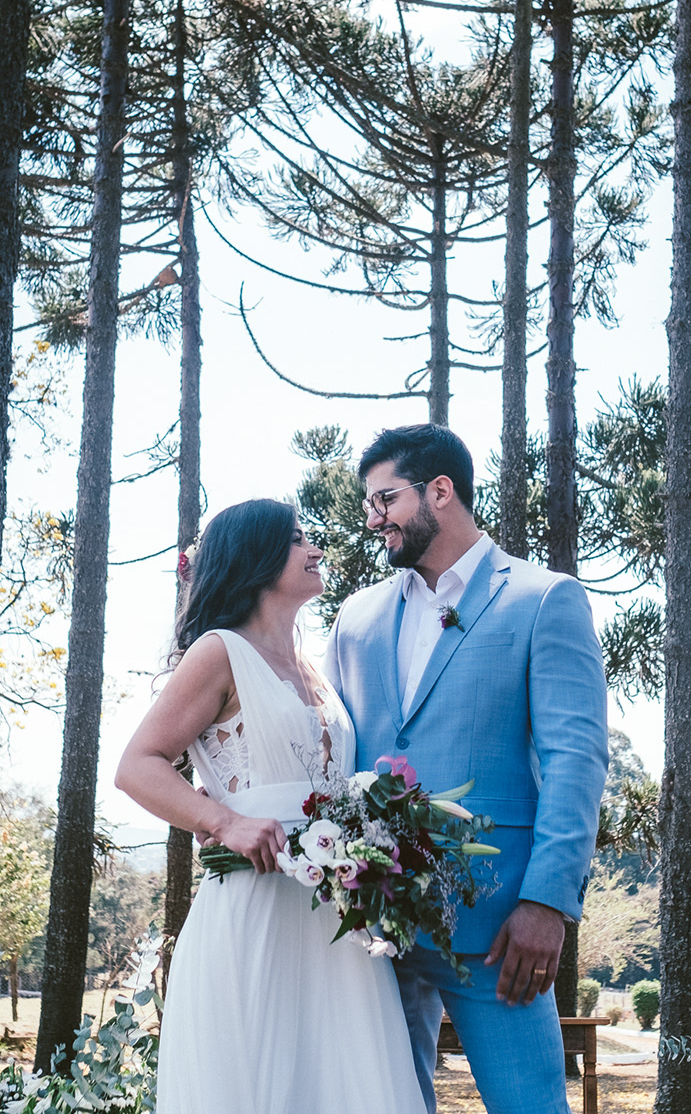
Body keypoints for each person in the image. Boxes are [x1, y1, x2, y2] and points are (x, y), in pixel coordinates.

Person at [326, 423, 610, 1114]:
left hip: (498, 928)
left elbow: (576, 760)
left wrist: (547, 903)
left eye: (385, 499)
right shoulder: (355, 618)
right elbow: (329, 748)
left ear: (440, 491)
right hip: (372, 926)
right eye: (368, 504)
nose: (373, 518)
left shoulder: (545, 599)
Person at [116, 498, 427, 1114]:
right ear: (256, 557)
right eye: (297, 540)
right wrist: (222, 820)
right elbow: (136, 766)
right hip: (255, 908)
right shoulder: (219, 652)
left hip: (335, 925)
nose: (316, 550)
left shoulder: (314, 669)